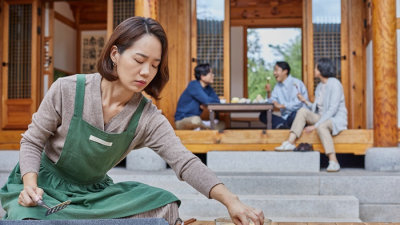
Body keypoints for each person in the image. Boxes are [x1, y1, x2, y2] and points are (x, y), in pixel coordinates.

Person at [0, 17, 264, 224]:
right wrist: (30, 186)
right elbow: (32, 142)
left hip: (94, 194)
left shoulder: (147, 117)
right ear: (115, 54)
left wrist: (231, 201)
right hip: (46, 189)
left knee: (165, 206)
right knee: (28, 219)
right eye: (139, 60)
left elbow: (185, 162)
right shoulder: (67, 89)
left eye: (154, 64)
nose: (146, 72)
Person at [275, 58, 348, 172]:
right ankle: (290, 142)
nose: (314, 69)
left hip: (335, 118)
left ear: (322, 69)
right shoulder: (319, 86)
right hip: (322, 116)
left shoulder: (335, 84)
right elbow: (317, 107)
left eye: (316, 67)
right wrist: (305, 101)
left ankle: (333, 161)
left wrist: (316, 126)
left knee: (322, 127)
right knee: (302, 111)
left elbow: (332, 109)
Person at [174, 63, 225, 130]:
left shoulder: (208, 88)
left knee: (222, 124)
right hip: (182, 120)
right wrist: (207, 102)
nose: (213, 75)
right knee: (196, 120)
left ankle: (202, 127)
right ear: (202, 77)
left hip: (197, 119)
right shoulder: (193, 85)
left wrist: (207, 104)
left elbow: (217, 101)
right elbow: (207, 101)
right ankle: (205, 127)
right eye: (210, 73)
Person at [259, 61, 309, 129]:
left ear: (285, 71)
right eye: (274, 70)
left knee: (295, 114)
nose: (274, 73)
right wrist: (269, 92)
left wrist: (282, 105)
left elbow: (298, 104)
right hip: (285, 118)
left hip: (298, 116)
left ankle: (281, 126)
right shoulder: (277, 86)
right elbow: (271, 102)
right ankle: (283, 126)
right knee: (263, 115)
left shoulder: (295, 83)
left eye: (276, 70)